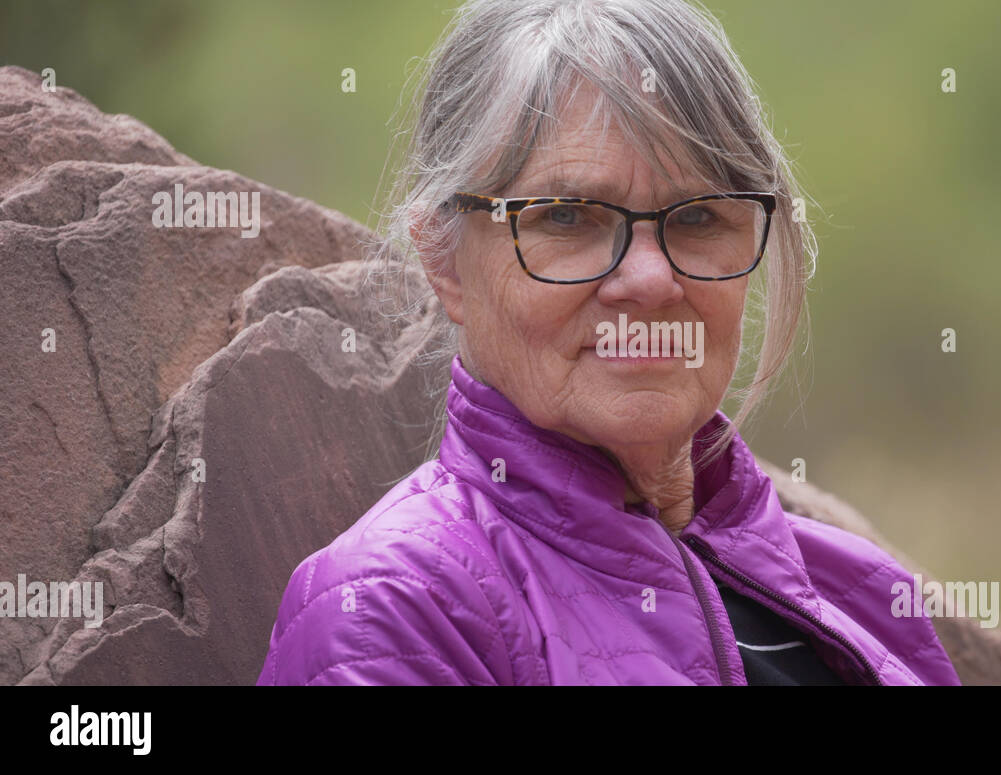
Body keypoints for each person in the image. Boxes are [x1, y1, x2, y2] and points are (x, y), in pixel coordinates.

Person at [256, 0, 961, 686]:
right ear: (445, 263)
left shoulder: (861, 594)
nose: (651, 279)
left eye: (699, 216)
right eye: (567, 216)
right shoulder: (397, 611)